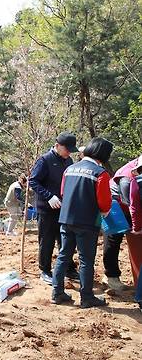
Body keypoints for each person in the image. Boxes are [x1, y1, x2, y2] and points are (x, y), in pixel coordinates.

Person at [51, 137, 113, 308]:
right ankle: (87, 297)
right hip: (87, 222)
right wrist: (105, 214)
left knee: (63, 255)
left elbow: (63, 192)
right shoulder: (100, 173)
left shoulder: (69, 169)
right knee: (86, 259)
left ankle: (57, 293)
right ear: (103, 155)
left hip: (66, 219)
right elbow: (104, 203)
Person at [29, 132, 80, 285]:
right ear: (57, 146)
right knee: (47, 240)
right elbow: (33, 181)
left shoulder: (69, 160)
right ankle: (44, 270)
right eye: (67, 149)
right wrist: (49, 196)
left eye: (71, 150)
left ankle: (69, 268)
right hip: (47, 209)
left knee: (65, 239)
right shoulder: (44, 160)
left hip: (64, 208)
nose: (69, 153)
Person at [107, 155, 142, 292]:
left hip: (130, 204)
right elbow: (132, 206)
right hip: (115, 204)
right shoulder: (127, 179)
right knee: (113, 239)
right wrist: (136, 227)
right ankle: (111, 276)